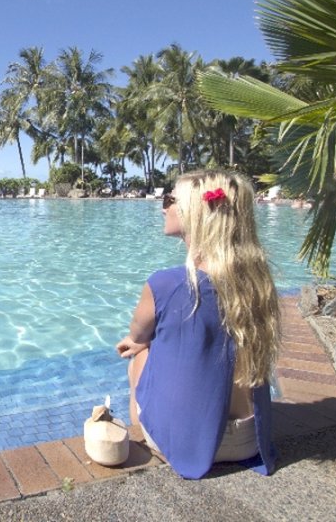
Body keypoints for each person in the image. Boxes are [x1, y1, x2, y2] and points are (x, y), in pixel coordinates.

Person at [115, 170, 279, 479]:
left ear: (194, 211)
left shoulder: (166, 284)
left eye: (170, 199)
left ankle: (141, 431)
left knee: (140, 351)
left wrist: (138, 343)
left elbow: (137, 335)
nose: (163, 207)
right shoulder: (257, 283)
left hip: (187, 448)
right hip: (250, 442)